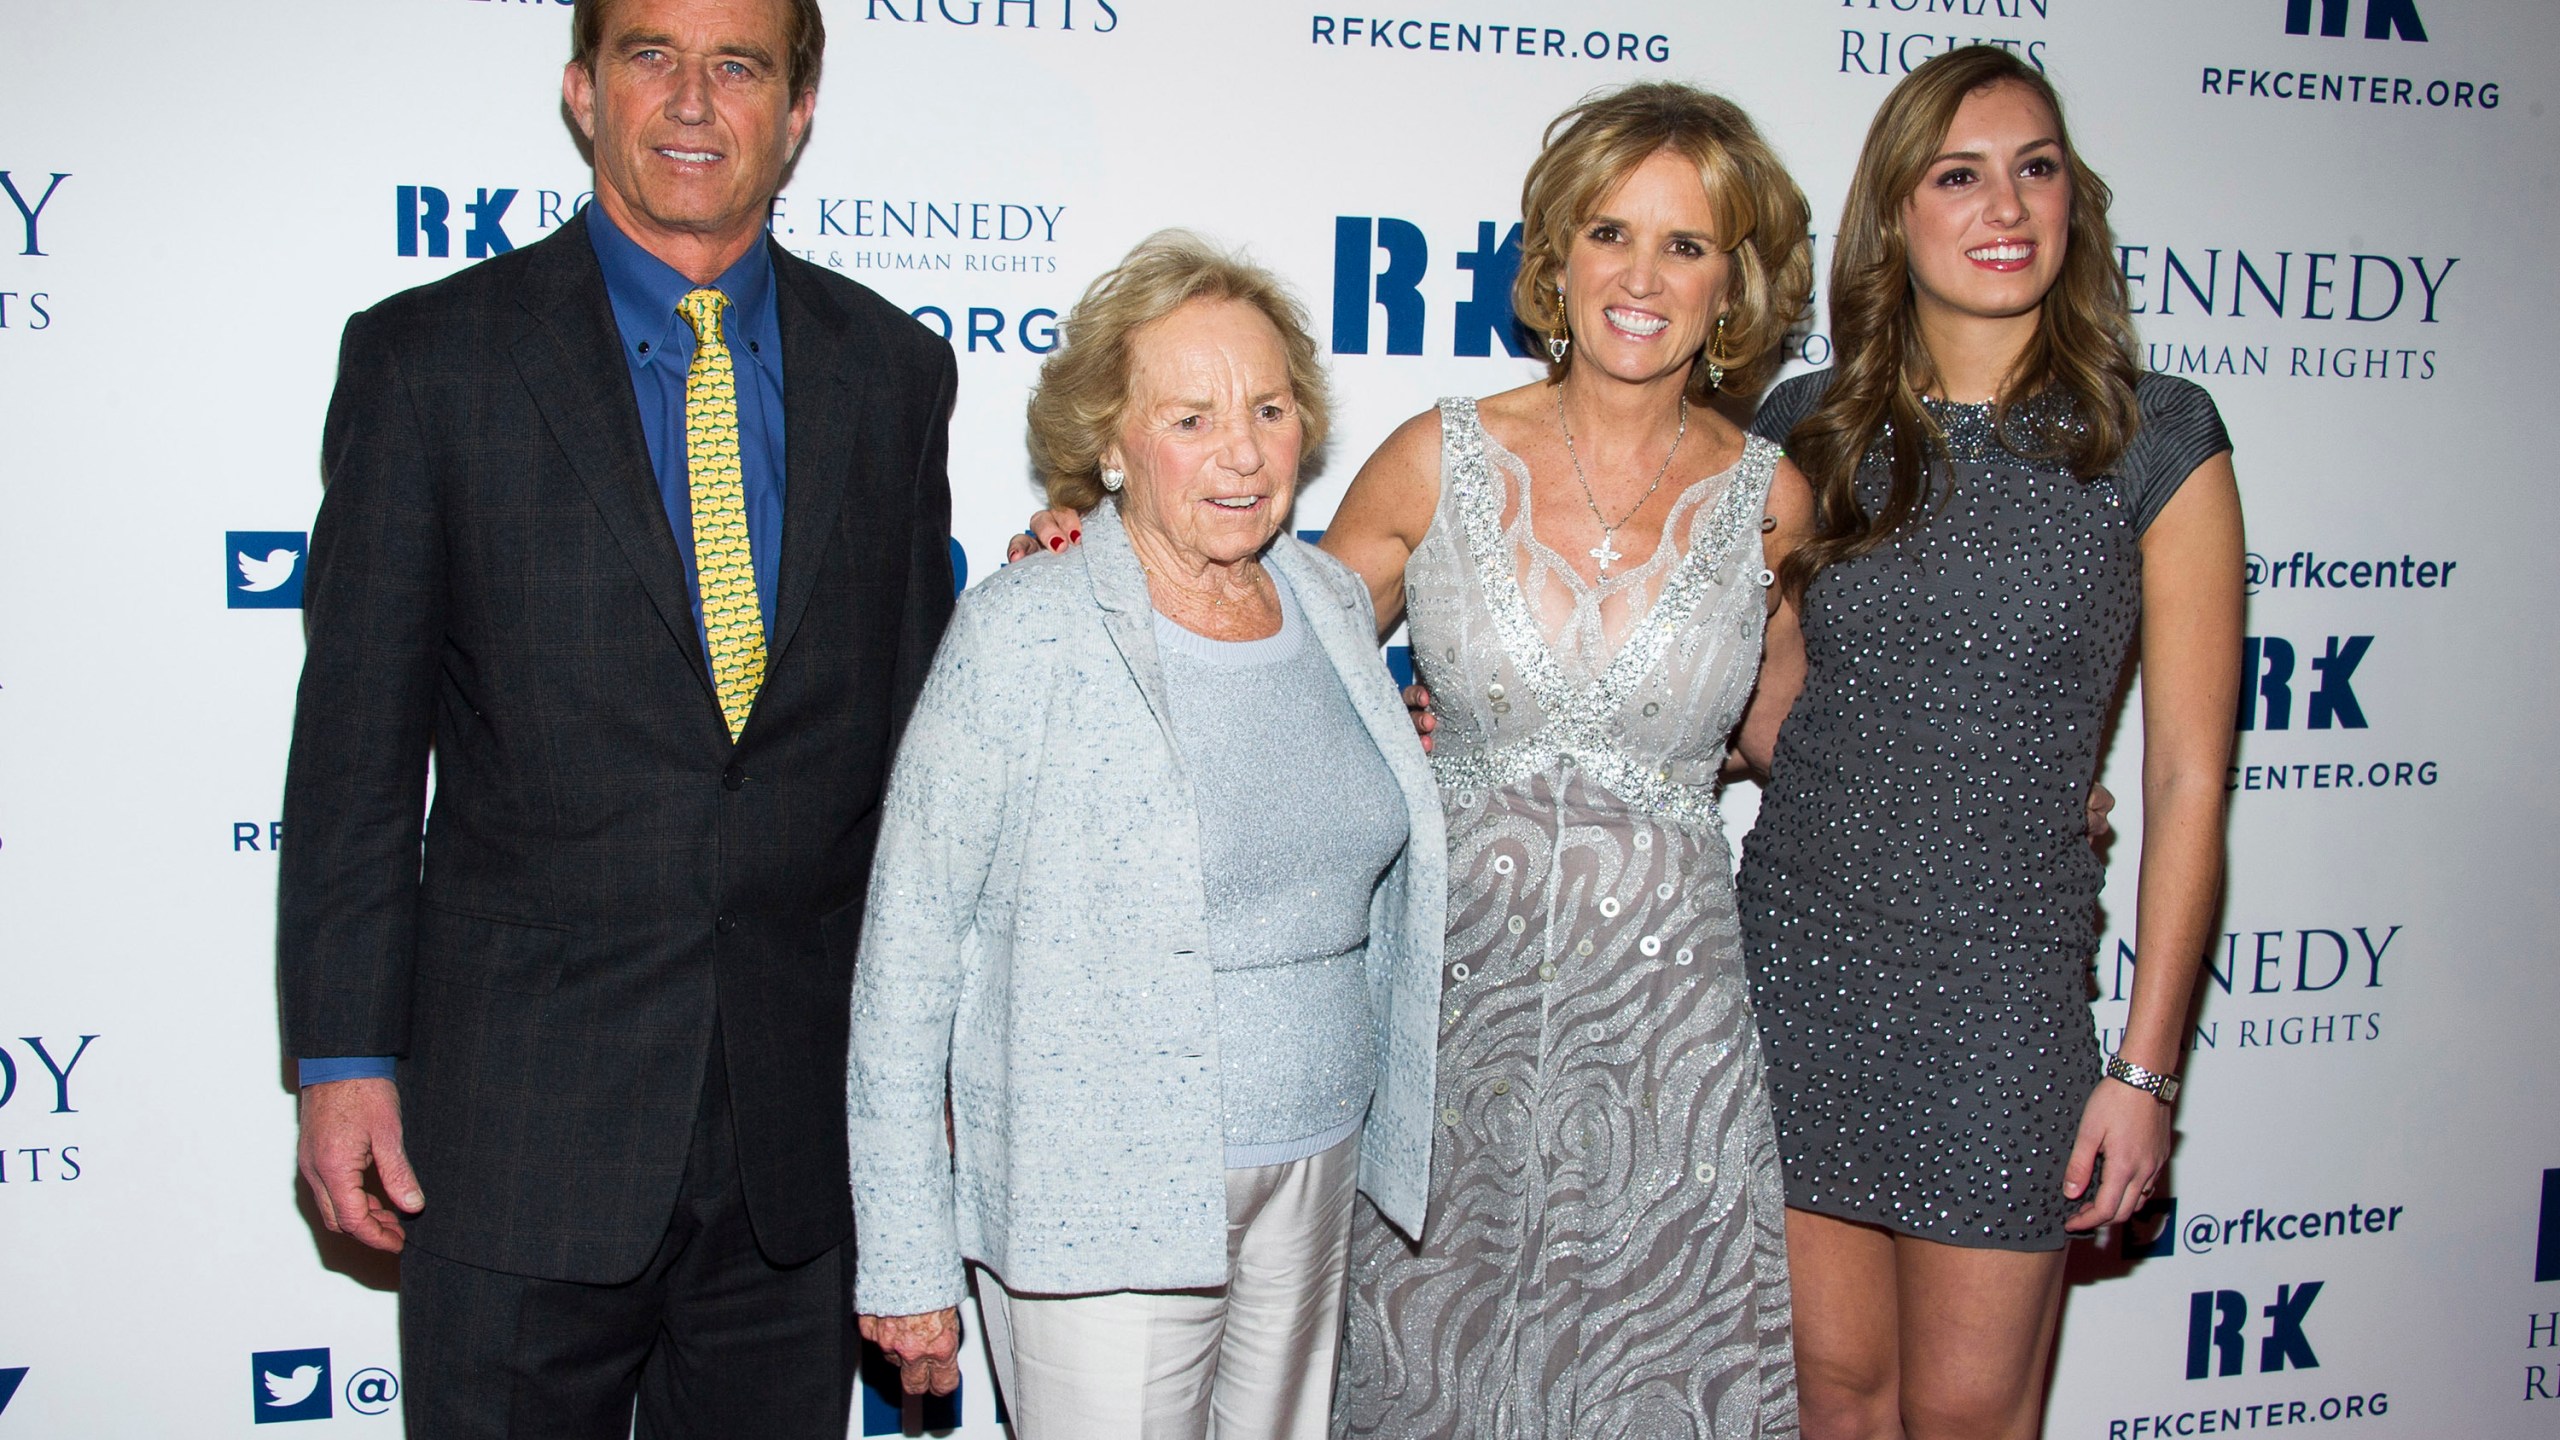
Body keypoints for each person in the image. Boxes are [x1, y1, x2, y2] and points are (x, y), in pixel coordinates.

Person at [1021, 83, 1814, 1437]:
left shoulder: (1773, 497)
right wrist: (1103, 564)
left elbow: (1808, 745)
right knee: (1427, 1371)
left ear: (1733, 286)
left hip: (1673, 1039)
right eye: (1611, 233)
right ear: (1558, 257)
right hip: (1451, 1011)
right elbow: (1262, 643)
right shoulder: (1442, 457)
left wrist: (2005, 781)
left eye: (1687, 246)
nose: (1642, 276)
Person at [276, 1, 957, 1434]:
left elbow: (919, 756)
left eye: (739, 65)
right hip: (517, 1120)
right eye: (652, 55)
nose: (694, 101)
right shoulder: (430, 362)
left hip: (799, 1137)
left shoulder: (891, 371)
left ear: (800, 107)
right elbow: (354, 750)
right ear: (583, 91)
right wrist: (343, 1059)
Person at [849, 234, 1447, 1440]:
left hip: (1317, 1159)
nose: (1241, 450)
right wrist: (907, 1254)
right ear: (1109, 445)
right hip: (1097, 1185)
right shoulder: (1026, 628)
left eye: (1269, 408)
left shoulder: (1331, 602)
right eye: (1190, 417)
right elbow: (907, 959)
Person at [1732, 46, 2243, 1440]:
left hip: (2001, 1005)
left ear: (2075, 199)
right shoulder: (1806, 428)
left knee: (1968, 1416)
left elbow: (2192, 777)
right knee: (1835, 1403)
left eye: (2037, 167)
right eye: (1958, 175)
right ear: (1896, 214)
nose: (2004, 204)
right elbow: (1745, 693)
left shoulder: (2155, 438)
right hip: (1796, 976)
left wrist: (2143, 1074)